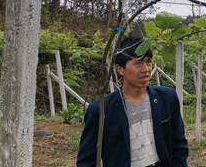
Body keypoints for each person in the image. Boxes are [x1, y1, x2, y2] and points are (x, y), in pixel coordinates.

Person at [77, 36, 189, 167]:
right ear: (120, 69)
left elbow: (179, 144)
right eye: (138, 63)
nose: (146, 69)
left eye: (148, 62)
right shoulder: (101, 110)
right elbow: (87, 159)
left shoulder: (167, 98)